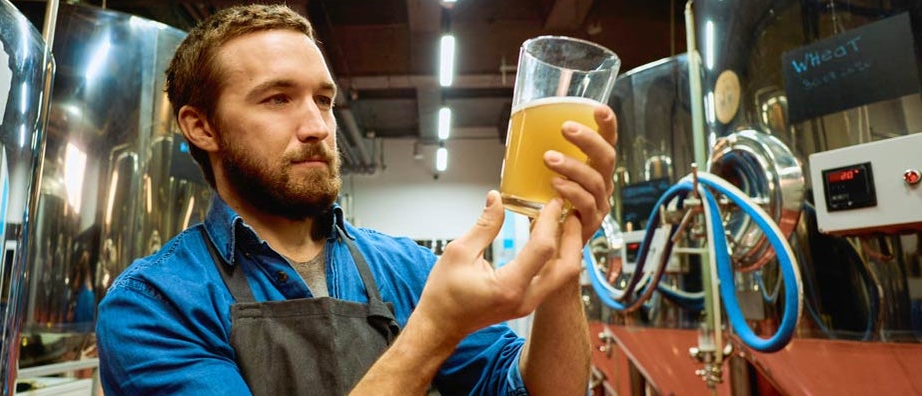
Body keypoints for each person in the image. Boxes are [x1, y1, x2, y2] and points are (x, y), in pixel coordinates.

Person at [96, 4, 618, 395]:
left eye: (323, 100)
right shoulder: (154, 303)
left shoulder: (405, 268)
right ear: (202, 126)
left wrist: (561, 264)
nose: (318, 126)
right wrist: (433, 330)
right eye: (278, 99)